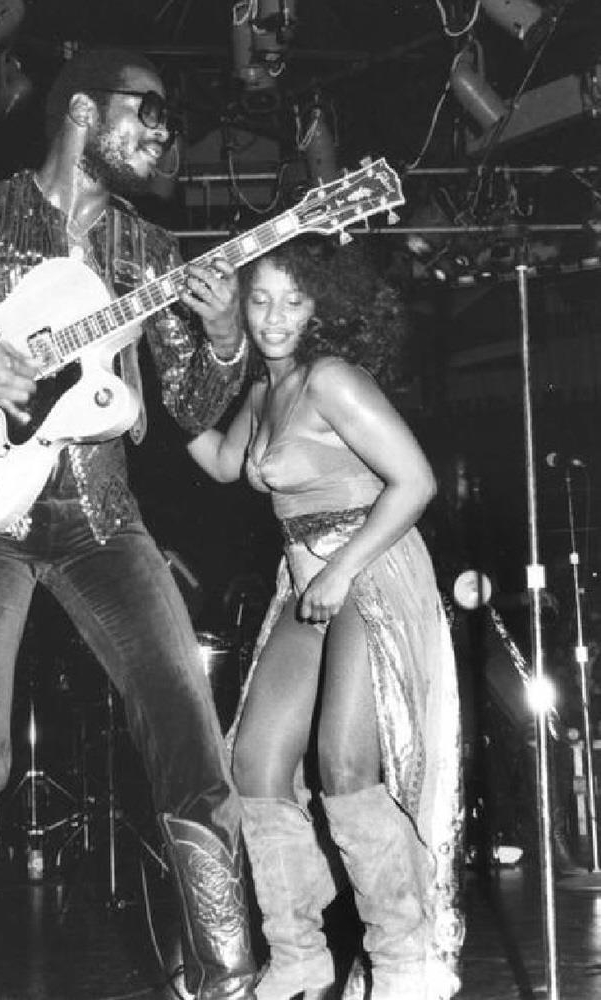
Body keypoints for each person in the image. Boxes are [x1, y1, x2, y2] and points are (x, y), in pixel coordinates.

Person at [0, 47, 257, 1000]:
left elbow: (193, 402)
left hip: (101, 514)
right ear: (81, 111)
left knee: (190, 735)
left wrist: (225, 333)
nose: (163, 135)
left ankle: (228, 978)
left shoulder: (149, 250)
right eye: (148, 112)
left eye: (168, 123)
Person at [187, 237, 464, 1000]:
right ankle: (299, 955)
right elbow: (220, 462)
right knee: (254, 764)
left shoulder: (331, 378)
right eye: (259, 299)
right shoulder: (262, 393)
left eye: (294, 300)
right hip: (304, 581)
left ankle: (406, 961)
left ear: (321, 308)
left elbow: (416, 481)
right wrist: (135, 398)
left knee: (345, 765)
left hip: (369, 566)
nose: (274, 317)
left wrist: (342, 571)